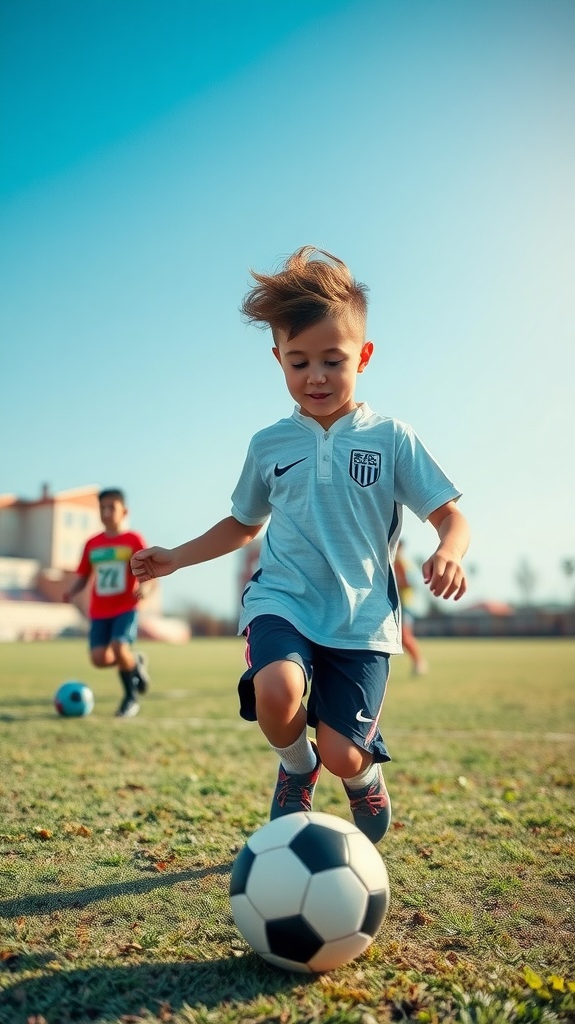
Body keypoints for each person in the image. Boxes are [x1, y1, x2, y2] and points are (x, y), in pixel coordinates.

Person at [131, 246, 470, 843]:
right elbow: (243, 524)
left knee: (344, 753)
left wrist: (449, 549)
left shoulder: (392, 438)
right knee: (277, 688)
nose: (315, 376)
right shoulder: (269, 444)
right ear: (279, 362)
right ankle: (295, 769)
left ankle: (358, 780)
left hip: (362, 617)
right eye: (299, 361)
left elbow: (451, 516)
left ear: (363, 356)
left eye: (333, 361)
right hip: (282, 598)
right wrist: (177, 556)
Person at [63, 487, 151, 718]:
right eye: (102, 507)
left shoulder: (134, 539)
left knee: (119, 647)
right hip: (100, 610)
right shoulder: (92, 543)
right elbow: (83, 575)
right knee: (99, 659)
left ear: (124, 511)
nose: (106, 512)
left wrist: (145, 588)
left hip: (126, 607)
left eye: (111, 507)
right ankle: (135, 662)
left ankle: (130, 699)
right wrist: (70, 591)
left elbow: (149, 573)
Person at [394, 540, 428, 675]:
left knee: (405, 636)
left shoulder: (402, 563)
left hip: (404, 604)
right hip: (399, 603)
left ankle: (419, 662)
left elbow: (408, 584)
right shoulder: (396, 562)